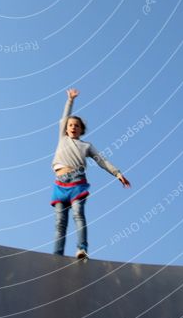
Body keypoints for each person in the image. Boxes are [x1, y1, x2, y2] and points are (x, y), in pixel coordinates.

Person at [51, 87, 131, 259]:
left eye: (77, 126)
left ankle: (82, 249)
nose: (73, 127)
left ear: (81, 130)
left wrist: (117, 173)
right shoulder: (62, 138)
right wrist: (70, 101)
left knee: (78, 214)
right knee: (60, 222)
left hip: (77, 182)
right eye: (70, 125)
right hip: (60, 182)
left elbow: (101, 160)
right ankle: (56, 255)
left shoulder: (86, 146)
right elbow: (63, 118)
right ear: (65, 129)